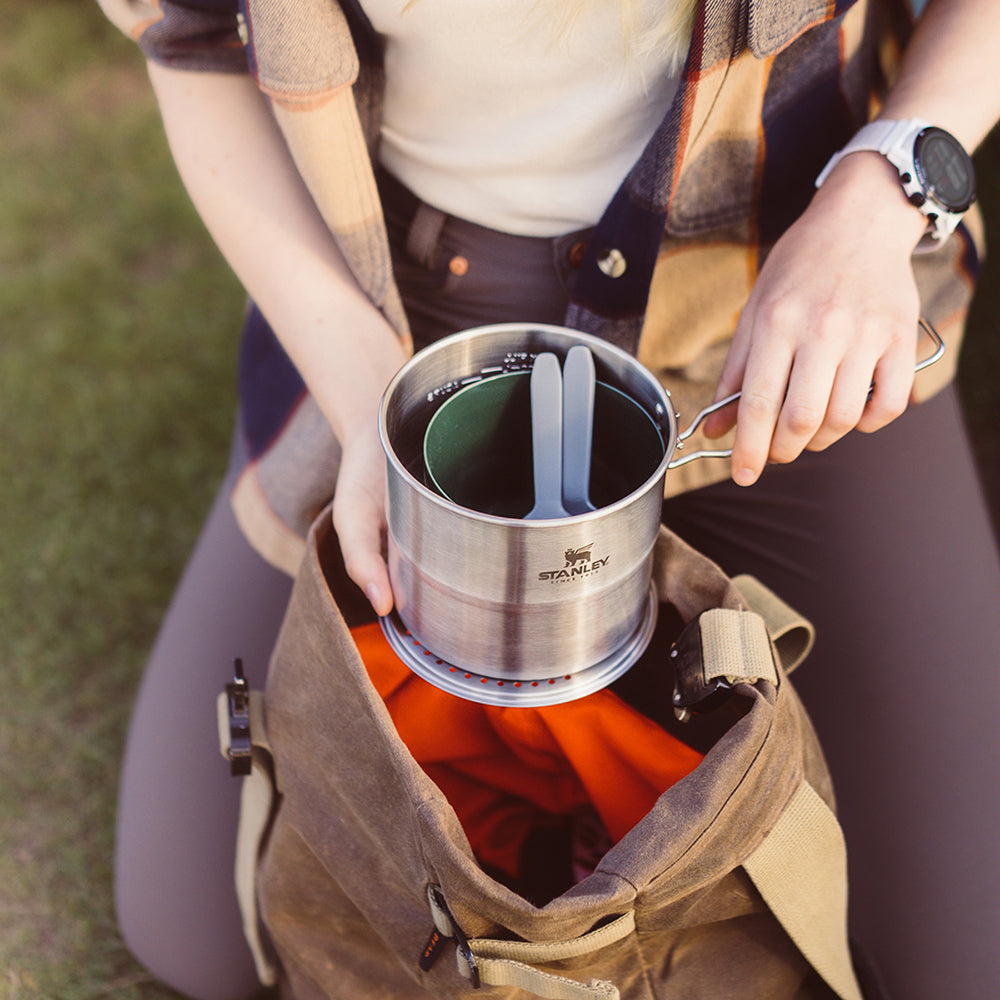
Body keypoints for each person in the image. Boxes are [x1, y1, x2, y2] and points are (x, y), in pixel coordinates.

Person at [95, 0, 1000, 996]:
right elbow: (194, 41)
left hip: (776, 285)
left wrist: (879, 195)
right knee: (193, 931)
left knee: (967, 954)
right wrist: (369, 412)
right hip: (404, 311)